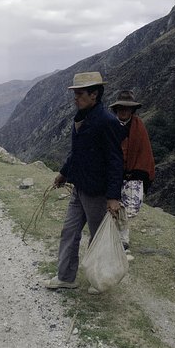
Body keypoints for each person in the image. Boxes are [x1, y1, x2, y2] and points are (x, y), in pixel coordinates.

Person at [44, 72, 126, 292]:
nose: (75, 98)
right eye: (75, 94)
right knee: (69, 231)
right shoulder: (81, 118)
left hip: (97, 191)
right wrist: (63, 173)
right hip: (79, 187)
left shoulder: (107, 122)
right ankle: (66, 277)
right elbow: (77, 153)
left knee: (98, 236)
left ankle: (100, 280)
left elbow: (115, 161)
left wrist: (113, 197)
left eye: (80, 94)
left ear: (94, 94)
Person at [109, 90, 155, 247]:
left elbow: (144, 151)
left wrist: (138, 173)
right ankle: (114, 238)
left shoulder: (138, 126)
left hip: (131, 176)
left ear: (132, 110)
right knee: (111, 208)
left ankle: (123, 239)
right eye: (121, 107)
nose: (124, 111)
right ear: (117, 109)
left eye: (127, 108)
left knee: (126, 211)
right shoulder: (109, 125)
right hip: (112, 174)